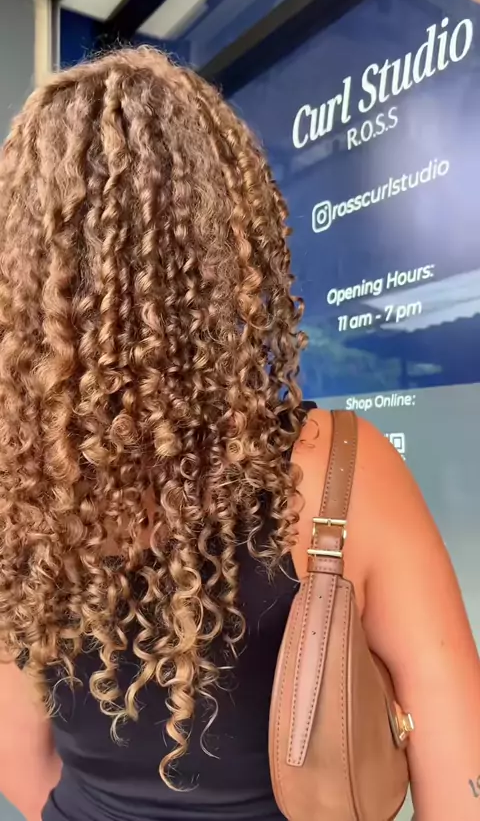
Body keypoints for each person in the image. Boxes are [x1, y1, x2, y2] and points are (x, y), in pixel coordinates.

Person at [0, 47, 478, 821]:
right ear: (229, 245)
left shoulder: (20, 488)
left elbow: (26, 765)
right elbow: (462, 779)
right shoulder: (341, 471)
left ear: (29, 269)